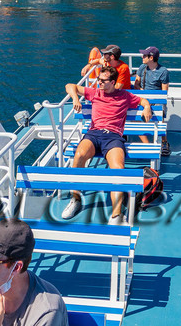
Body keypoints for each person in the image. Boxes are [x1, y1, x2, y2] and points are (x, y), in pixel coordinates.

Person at [64, 66, 151, 224]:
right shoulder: (95, 92)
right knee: (79, 156)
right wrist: (75, 98)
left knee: (118, 169)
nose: (98, 83)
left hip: (113, 137)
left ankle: (116, 215)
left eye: (102, 81)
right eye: (98, 79)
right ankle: (76, 199)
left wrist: (146, 107)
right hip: (93, 134)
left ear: (112, 82)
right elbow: (70, 86)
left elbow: (142, 100)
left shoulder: (124, 96)